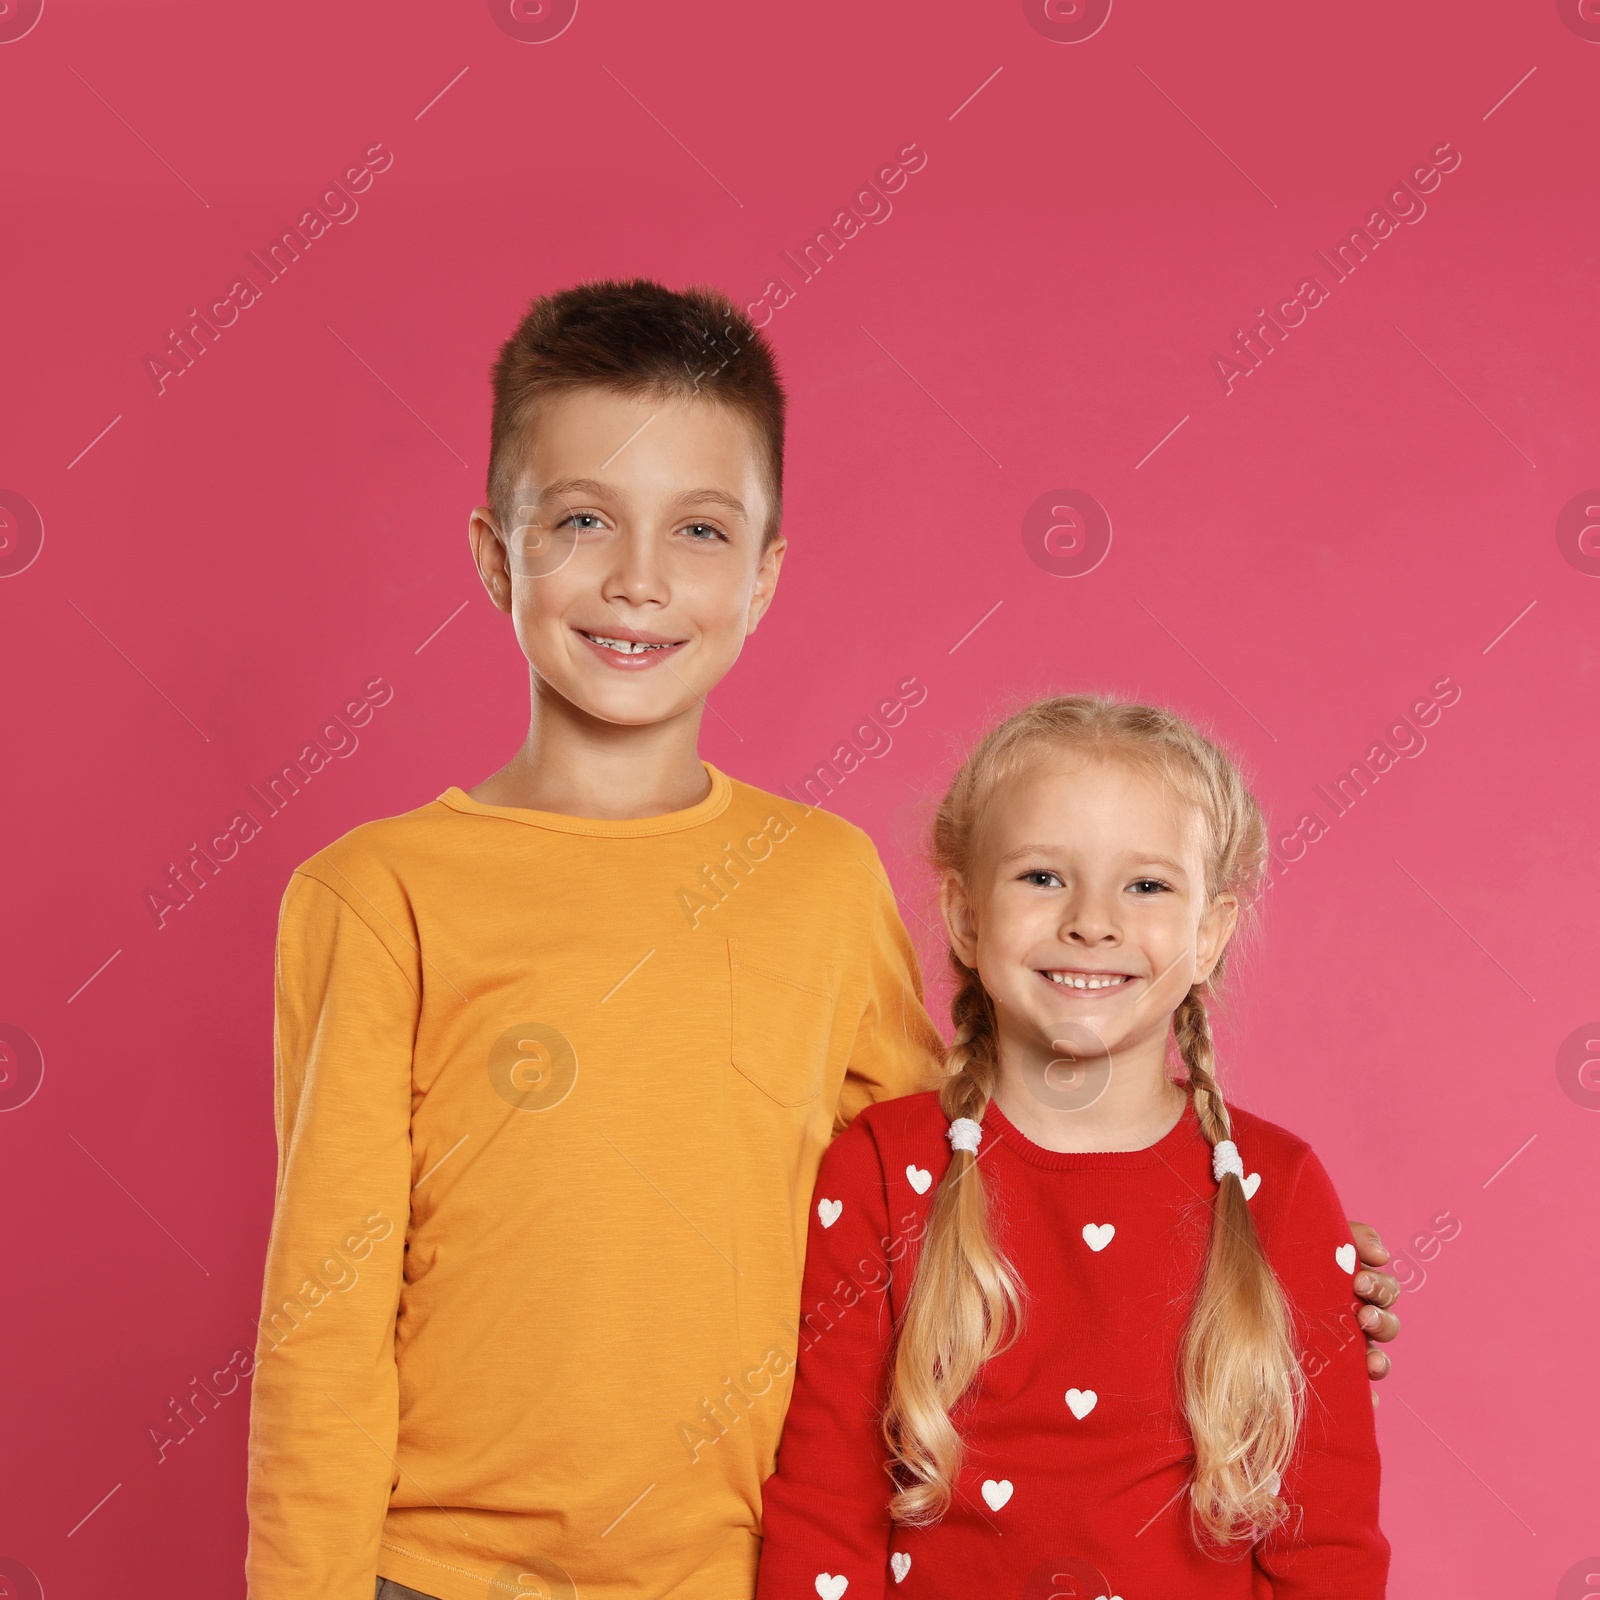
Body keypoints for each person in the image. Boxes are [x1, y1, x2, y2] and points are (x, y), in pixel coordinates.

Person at [244, 283, 1400, 1600]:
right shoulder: (377, 894)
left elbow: (968, 1184)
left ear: (764, 575)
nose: (637, 577)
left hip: (752, 1574)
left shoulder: (819, 882)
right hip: (435, 1578)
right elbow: (319, 1331)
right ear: (496, 555)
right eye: (579, 521)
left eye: (698, 529)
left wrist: (1260, 1266)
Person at [755, 696, 1390, 1598]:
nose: (1092, 921)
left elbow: (1325, 1546)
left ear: (1210, 934)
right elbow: (826, 1510)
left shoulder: (1276, 1189)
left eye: (1147, 885)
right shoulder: (880, 1171)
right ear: (965, 917)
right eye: (1043, 877)